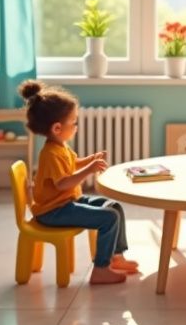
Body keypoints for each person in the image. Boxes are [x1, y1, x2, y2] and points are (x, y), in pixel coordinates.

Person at [19, 80, 139, 285]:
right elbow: (62, 184)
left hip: (67, 202)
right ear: (57, 128)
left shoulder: (60, 146)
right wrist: (89, 170)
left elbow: (72, 163)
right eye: (73, 122)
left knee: (114, 207)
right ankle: (101, 269)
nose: (76, 126)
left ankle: (116, 257)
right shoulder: (50, 153)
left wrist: (90, 160)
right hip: (53, 211)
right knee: (108, 218)